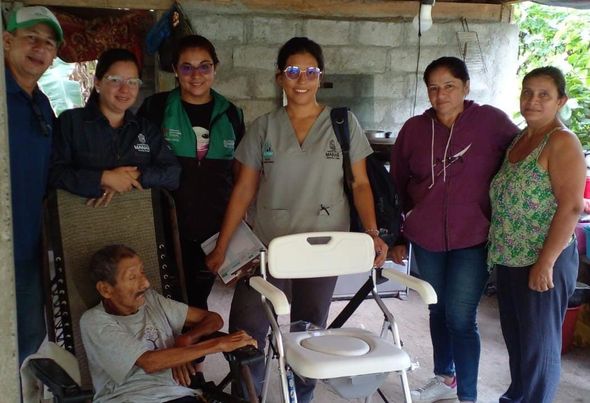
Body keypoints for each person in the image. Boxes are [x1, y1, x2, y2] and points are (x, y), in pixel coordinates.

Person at [205, 36, 388, 402]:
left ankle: (301, 396)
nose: (301, 80)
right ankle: (248, 397)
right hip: (269, 248)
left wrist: (372, 232)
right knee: (247, 330)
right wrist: (222, 246)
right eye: (292, 71)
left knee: (310, 332)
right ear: (279, 78)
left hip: (323, 248)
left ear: (321, 76)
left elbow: (361, 184)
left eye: (310, 72)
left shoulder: (343, 123)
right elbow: (244, 189)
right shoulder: (263, 127)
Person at [390, 56, 519, 403]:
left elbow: (526, 151)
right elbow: (396, 185)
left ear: (466, 87)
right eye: (433, 88)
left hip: (473, 237)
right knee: (437, 308)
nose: (441, 94)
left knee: (461, 317)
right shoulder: (414, 129)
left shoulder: (491, 122)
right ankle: (444, 377)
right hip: (426, 236)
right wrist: (397, 236)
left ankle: (468, 396)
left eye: (449, 86)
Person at [488, 66, 585, 403]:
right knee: (518, 343)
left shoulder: (561, 141)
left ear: (561, 101)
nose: (533, 100)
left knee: (539, 348)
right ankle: (517, 397)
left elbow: (571, 207)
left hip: (543, 261)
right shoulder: (521, 138)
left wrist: (545, 263)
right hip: (511, 259)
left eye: (544, 94)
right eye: (527, 92)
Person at [137, 35, 245, 311]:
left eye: (204, 66)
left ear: (215, 68)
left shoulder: (231, 114)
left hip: (212, 230)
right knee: (166, 299)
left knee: (198, 299)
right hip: (164, 227)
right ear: (175, 69)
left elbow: (240, 177)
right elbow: (139, 161)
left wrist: (231, 236)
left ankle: (196, 339)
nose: (196, 75)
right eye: (187, 67)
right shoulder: (156, 108)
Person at [80, 244, 257, 403]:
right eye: (132, 277)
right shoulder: (94, 321)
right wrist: (218, 344)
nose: (146, 283)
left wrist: (186, 338)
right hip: (128, 397)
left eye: (142, 272)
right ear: (106, 289)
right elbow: (149, 362)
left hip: (178, 395)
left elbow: (213, 319)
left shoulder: (151, 300)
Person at [4, 5, 63, 364]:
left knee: (28, 335)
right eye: (31, 38)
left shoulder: (41, 104)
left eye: (49, 43)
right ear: (6, 41)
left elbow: (53, 169)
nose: (40, 48)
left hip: (27, 244)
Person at [49, 48, 180, 206]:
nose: (125, 89)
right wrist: (103, 178)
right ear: (97, 82)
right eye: (115, 80)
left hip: (138, 218)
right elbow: (53, 173)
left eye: (132, 82)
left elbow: (173, 174)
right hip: (80, 218)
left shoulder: (145, 129)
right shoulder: (71, 123)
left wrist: (135, 176)